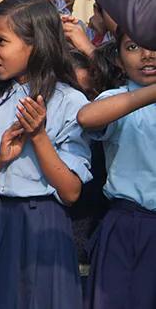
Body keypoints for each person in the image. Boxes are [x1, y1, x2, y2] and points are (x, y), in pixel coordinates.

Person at [0, 0, 92, 309]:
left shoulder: (70, 102)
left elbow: (71, 192)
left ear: (36, 44)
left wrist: (39, 136)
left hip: (40, 227)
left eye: (1, 41)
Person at [78, 28, 156, 308]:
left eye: (154, 44)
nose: (147, 55)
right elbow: (87, 117)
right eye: (133, 47)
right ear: (119, 60)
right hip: (128, 225)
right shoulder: (118, 98)